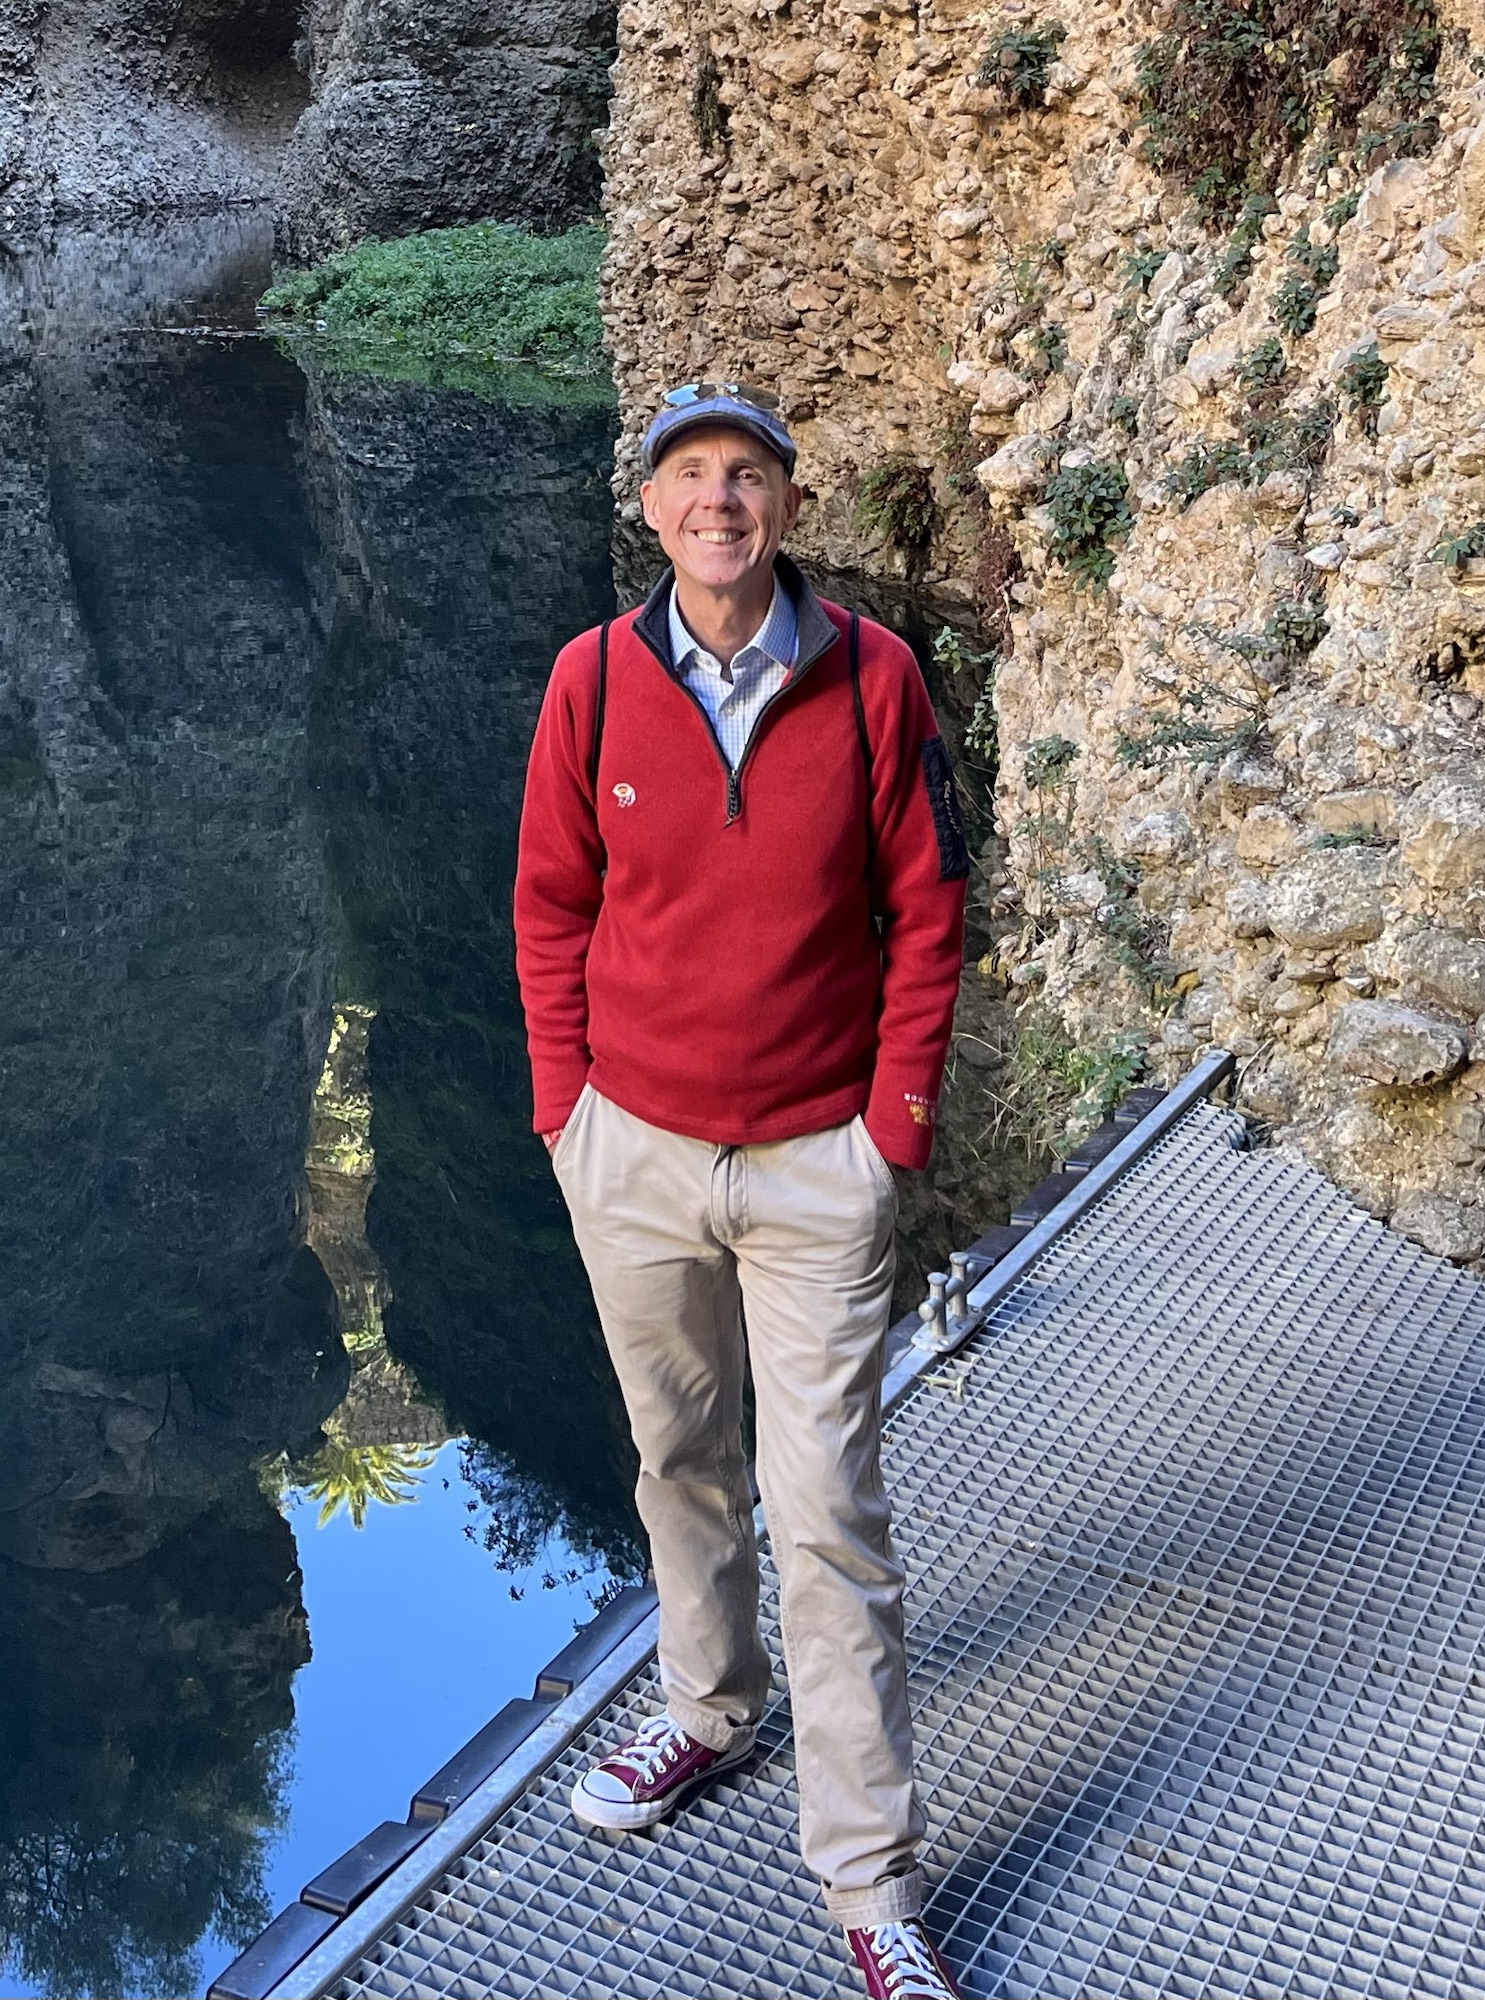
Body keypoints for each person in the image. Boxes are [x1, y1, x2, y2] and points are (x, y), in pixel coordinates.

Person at [513, 382, 968, 2000]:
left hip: (814, 1163)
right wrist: (565, 1112)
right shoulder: (590, 681)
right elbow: (551, 905)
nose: (719, 501)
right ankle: (708, 1710)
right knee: (677, 1458)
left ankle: (873, 1883)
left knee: (826, 1506)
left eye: (748, 475)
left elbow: (930, 911)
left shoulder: (873, 678)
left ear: (785, 503)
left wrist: (891, 1130)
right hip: (632, 1155)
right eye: (691, 476)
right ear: (651, 509)